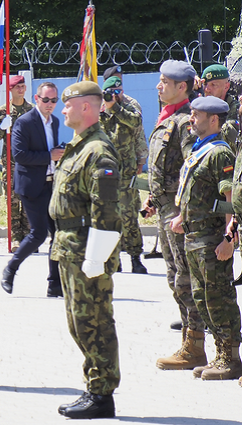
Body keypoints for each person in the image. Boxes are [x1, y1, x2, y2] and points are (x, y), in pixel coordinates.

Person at [51, 81, 122, 419]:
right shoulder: (79, 147)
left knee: (94, 321)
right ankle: (94, 385)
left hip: (85, 251)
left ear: (85, 107)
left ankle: (101, 392)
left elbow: (106, 213)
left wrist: (97, 258)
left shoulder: (98, 151)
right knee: (79, 322)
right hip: (70, 248)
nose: (63, 109)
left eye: (68, 104)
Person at [172, 96, 242, 381]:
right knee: (202, 298)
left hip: (212, 239)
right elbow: (193, 190)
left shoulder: (219, 152)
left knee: (219, 297)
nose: (191, 118)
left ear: (213, 119)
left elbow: (228, 197)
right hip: (195, 236)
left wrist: (229, 237)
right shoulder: (199, 149)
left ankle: (231, 357)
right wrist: (182, 216)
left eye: (197, 114)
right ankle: (219, 354)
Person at [141, 60, 206, 368]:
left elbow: (190, 170)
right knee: (174, 277)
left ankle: (196, 345)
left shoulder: (184, 122)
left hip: (179, 213)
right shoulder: (167, 117)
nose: (159, 86)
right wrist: (154, 198)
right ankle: (188, 343)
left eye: (165, 82)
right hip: (166, 209)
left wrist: (181, 209)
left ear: (183, 87)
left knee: (185, 278)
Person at [1, 81, 64, 297]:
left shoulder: (54, 122)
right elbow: (19, 155)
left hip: (51, 183)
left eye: (54, 100)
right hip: (31, 185)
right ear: (37, 99)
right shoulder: (24, 122)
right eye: (45, 100)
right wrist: (49, 156)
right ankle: (11, 269)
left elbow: (51, 150)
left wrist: (59, 153)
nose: (50, 104)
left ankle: (54, 284)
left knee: (58, 234)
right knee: (38, 234)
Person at [98, 75, 148, 274]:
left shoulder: (127, 110)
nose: (116, 96)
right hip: (107, 173)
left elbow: (136, 122)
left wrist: (115, 108)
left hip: (127, 174)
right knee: (110, 218)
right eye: (112, 93)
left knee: (129, 217)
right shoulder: (100, 111)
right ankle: (114, 258)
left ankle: (136, 257)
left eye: (119, 92)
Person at [0, 74, 33, 251]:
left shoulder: (32, 110)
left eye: (23, 86)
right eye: (17, 87)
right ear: (10, 90)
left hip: (29, 163)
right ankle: (15, 237)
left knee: (27, 200)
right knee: (12, 201)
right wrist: (3, 126)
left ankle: (28, 235)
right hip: (10, 163)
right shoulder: (4, 110)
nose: (21, 89)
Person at [199, 64, 240, 152]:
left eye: (213, 85)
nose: (207, 89)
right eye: (205, 84)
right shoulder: (198, 109)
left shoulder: (236, 109)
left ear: (226, 86)